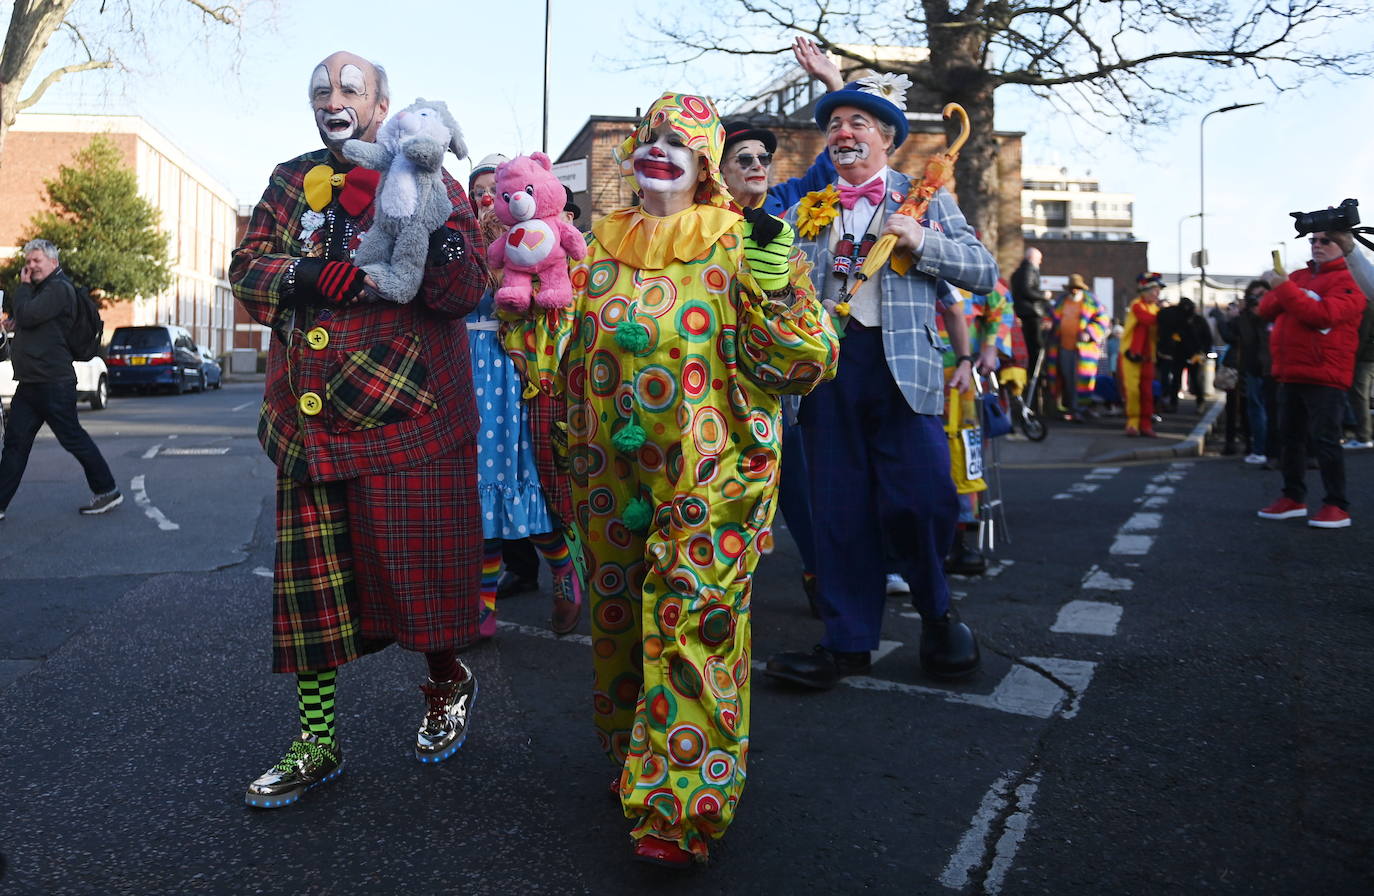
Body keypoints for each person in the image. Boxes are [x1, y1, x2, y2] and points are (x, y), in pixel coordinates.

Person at [504, 92, 838, 866]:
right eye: (651, 136)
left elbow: (806, 361)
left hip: (714, 470)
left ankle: (680, 808)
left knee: (693, 617)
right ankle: (636, 760)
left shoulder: (737, 242)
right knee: (619, 619)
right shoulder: (597, 244)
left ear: (707, 161)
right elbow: (551, 357)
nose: (660, 148)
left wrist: (779, 282)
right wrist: (526, 296)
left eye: (679, 140)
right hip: (608, 473)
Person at [229, 50, 488, 807]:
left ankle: (446, 680)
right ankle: (318, 741)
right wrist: (303, 276)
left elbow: (463, 290)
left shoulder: (432, 174)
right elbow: (247, 267)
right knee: (312, 604)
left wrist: (437, 221)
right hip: (310, 422)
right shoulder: (289, 179)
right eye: (319, 88)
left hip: (407, 414)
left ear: (382, 103)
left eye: (349, 87)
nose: (331, 98)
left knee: (419, 585)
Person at [764, 71, 994, 693]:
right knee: (838, 511)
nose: (842, 133)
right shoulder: (807, 210)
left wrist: (921, 240)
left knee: (922, 499)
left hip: (902, 371)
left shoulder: (924, 196)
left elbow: (983, 271)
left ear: (887, 138)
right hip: (828, 374)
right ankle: (847, 641)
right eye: (834, 125)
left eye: (857, 123)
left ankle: (938, 615)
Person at [0, 240, 122, 520]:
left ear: (53, 263)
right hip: (31, 383)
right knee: (16, 444)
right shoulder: (44, 291)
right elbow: (32, 319)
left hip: (53, 382)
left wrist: (23, 289)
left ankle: (108, 490)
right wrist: (13, 322)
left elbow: (30, 314)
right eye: (28, 262)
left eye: (36, 261)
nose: (30, 267)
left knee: (73, 438)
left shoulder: (59, 288)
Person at [1255, 231, 1364, 528]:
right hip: (1291, 371)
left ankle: (1336, 504)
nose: (1317, 245)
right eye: (1313, 241)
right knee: (1289, 439)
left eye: (1325, 240)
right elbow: (1265, 310)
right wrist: (1281, 286)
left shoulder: (1352, 279)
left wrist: (1283, 287)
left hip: (1325, 374)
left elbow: (1322, 315)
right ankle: (1293, 497)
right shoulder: (1300, 276)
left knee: (1326, 441)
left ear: (1343, 244)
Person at [1046, 273, 1108, 423]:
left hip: (1084, 350)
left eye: (1077, 288)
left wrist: (1089, 332)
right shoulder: (1062, 301)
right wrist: (1048, 323)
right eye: (1072, 288)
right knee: (1067, 378)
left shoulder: (1091, 302)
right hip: (1063, 347)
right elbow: (1051, 316)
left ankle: (1080, 409)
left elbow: (1103, 320)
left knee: (1082, 379)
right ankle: (1073, 408)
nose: (1074, 291)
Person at [1235, 280, 1272, 465]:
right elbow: (1243, 338)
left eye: (1262, 295)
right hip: (1253, 368)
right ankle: (1261, 448)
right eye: (1255, 297)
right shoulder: (1248, 319)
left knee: (1265, 410)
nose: (1259, 301)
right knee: (1256, 409)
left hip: (1271, 369)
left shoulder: (1275, 315)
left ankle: (1264, 449)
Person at [1120, 274, 1161, 437]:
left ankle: (1145, 424)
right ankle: (1132, 423)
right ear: (1144, 291)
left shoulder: (1156, 309)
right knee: (1133, 391)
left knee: (1146, 392)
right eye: (1154, 290)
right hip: (1132, 356)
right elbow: (1148, 320)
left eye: (1158, 291)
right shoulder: (1137, 305)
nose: (1157, 294)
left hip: (1148, 358)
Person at [1010, 247, 1050, 378]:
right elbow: (1027, 290)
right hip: (1031, 314)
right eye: (1039, 259)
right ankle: (1037, 373)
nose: (1040, 262)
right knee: (1036, 347)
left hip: (1024, 312)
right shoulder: (1029, 270)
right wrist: (1044, 296)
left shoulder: (1018, 272)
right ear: (1032, 258)